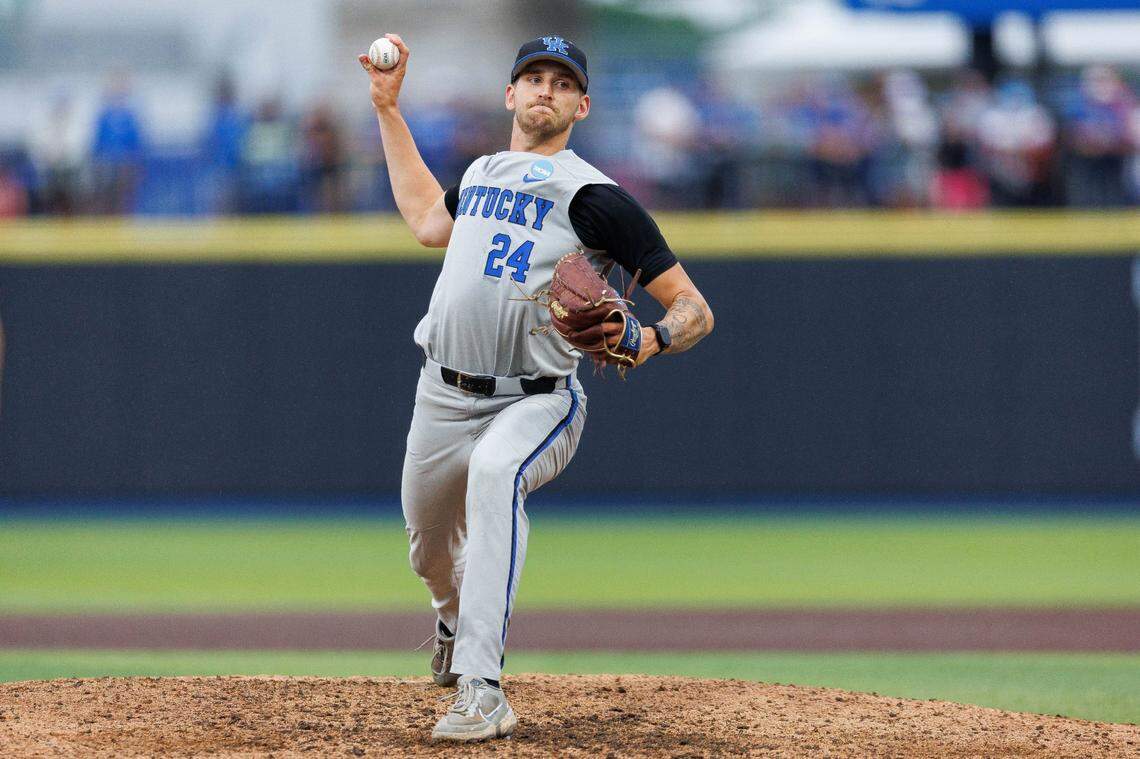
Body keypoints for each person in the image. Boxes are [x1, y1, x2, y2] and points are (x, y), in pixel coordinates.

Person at [358, 33, 714, 742]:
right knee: (429, 551)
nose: (545, 88)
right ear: (510, 95)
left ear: (581, 104)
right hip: (442, 392)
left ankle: (483, 688)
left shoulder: (594, 196)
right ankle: (455, 622)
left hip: (536, 397)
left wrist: (650, 339)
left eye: (561, 80)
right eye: (533, 77)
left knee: (496, 475)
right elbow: (429, 221)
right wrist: (386, 110)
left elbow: (694, 308)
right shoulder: (485, 169)